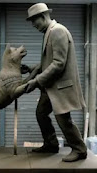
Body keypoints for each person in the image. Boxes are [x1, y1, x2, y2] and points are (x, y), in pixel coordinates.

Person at [24, 3, 87, 162]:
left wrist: (36, 81)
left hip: (60, 86)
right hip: (51, 86)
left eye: (34, 20)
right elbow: (49, 61)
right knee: (41, 113)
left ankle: (80, 149)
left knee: (63, 119)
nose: (33, 25)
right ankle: (51, 144)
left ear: (43, 16)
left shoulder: (57, 31)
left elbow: (58, 64)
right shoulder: (49, 32)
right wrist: (32, 68)